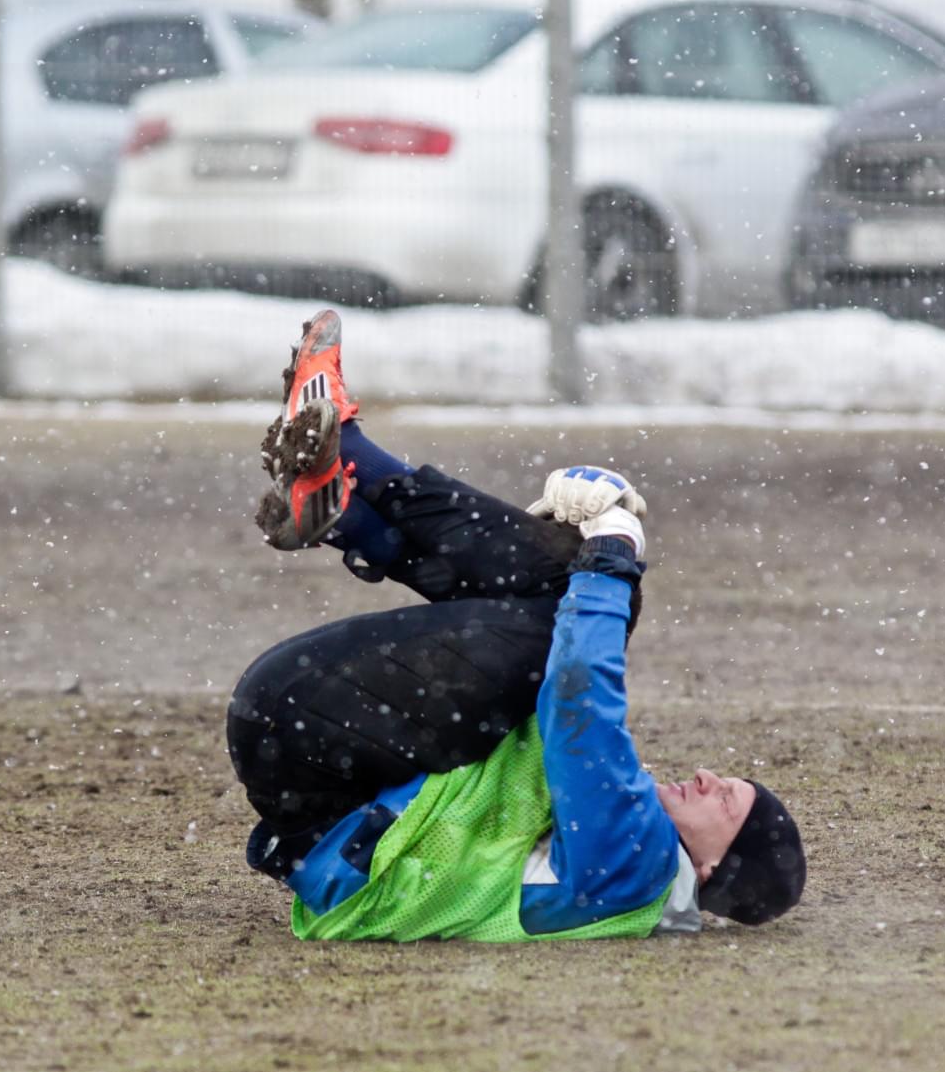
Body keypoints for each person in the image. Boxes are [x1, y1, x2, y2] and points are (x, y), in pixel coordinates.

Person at [228, 310, 806, 941]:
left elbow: (578, 695)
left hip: (306, 733)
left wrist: (613, 551)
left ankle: (352, 464)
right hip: (316, 775)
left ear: (714, 865)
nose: (708, 778)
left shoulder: (638, 862)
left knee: (577, 604)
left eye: (727, 800)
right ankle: (346, 512)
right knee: (563, 595)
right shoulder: (623, 884)